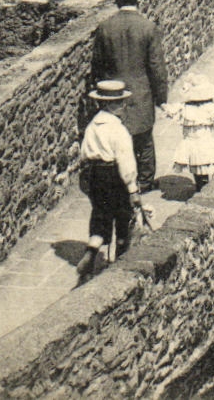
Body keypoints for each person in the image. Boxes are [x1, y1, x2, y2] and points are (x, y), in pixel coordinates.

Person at [91, 0, 168, 191]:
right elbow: (157, 67)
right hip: (140, 92)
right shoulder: (148, 27)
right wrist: (162, 98)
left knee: (116, 135)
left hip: (112, 93)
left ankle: (119, 180)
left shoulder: (105, 27)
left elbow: (96, 65)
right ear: (138, 0)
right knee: (143, 139)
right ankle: (144, 181)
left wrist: (97, 92)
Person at [77, 79, 143, 282]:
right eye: (121, 103)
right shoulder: (118, 130)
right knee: (122, 216)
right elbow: (126, 162)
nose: (124, 107)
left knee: (101, 214)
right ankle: (119, 259)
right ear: (114, 105)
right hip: (114, 175)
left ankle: (92, 249)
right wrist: (133, 190)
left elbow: (84, 154)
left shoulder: (92, 126)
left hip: (95, 175)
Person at [170, 72, 214, 192]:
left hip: (193, 143)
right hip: (206, 142)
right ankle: (204, 187)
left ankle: (200, 186)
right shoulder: (210, 107)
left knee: (197, 166)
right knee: (206, 165)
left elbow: (171, 112)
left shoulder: (185, 108)